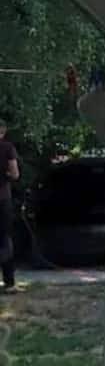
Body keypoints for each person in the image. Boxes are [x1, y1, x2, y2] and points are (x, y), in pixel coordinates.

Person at [0, 121, 19, 293]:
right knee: (5, 239)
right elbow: (15, 173)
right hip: (2, 198)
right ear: (3, 131)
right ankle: (8, 282)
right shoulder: (7, 148)